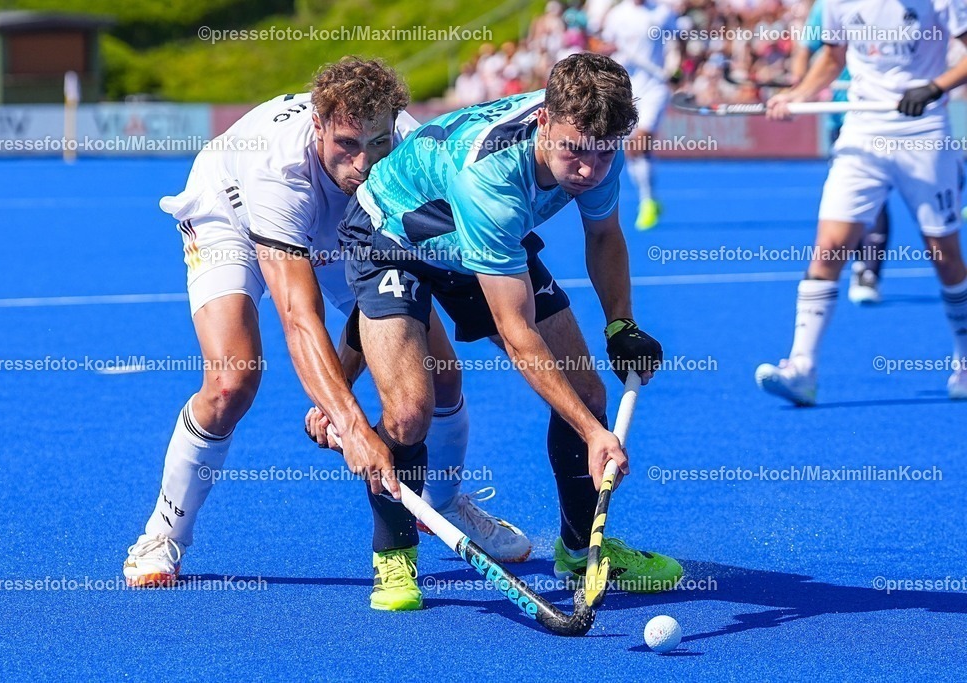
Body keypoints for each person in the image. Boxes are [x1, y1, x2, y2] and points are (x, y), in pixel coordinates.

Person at [123, 58, 529, 588]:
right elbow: (299, 315)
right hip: (232, 210)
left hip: (350, 223)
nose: (364, 162)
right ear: (319, 126)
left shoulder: (408, 150)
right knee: (231, 381)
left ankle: (445, 503)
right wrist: (355, 426)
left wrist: (334, 399)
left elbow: (379, 306)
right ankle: (164, 534)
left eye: (377, 143)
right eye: (346, 144)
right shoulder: (279, 171)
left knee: (439, 371)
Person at [332, 52, 683, 611]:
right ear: (544, 120)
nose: (588, 170)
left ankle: (579, 551)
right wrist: (596, 437)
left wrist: (622, 323)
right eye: (573, 150)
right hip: (396, 237)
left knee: (588, 394)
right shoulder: (492, 179)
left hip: (480, 242)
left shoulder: (597, 143)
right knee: (407, 412)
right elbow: (517, 333)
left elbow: (604, 236)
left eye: (603, 152)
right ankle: (394, 555)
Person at [756, 0, 967, 406]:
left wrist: (935, 87)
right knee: (829, 248)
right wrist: (796, 95)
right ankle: (802, 368)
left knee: (945, 256)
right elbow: (833, 56)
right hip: (862, 133)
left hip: (925, 133)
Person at [791, 0, 891, 304]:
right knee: (849, 201)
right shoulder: (827, 6)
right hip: (840, 116)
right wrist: (799, 88)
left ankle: (867, 269)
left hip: (879, 114)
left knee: (877, 198)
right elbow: (807, 51)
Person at [600, 0, 679, 230]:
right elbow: (604, 43)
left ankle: (647, 203)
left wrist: (674, 68)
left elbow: (675, 45)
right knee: (634, 150)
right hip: (627, 89)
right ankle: (650, 198)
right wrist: (608, 49)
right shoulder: (617, 14)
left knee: (641, 141)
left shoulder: (662, 13)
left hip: (655, 87)